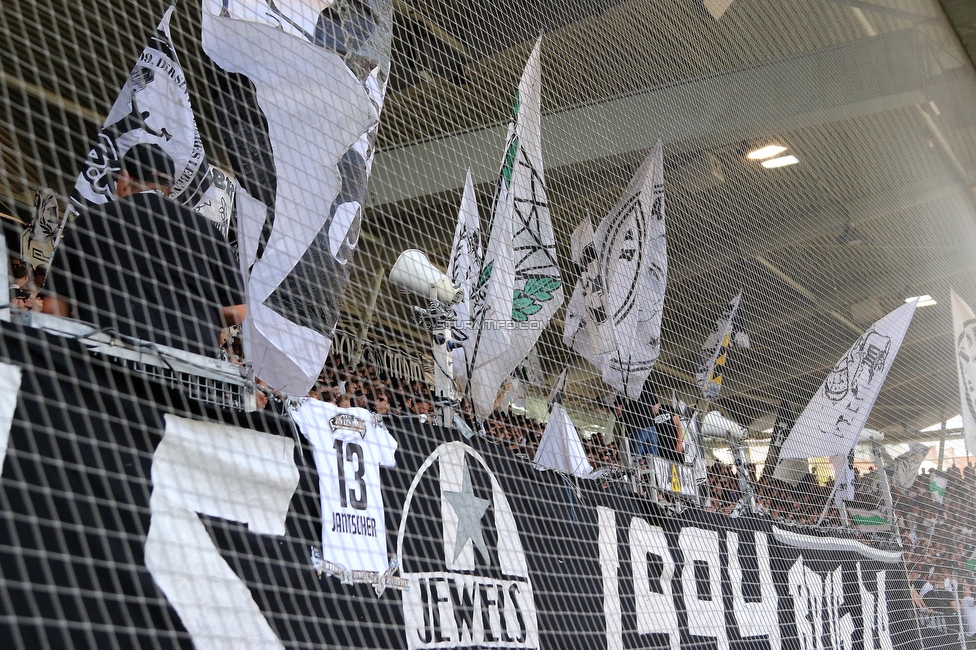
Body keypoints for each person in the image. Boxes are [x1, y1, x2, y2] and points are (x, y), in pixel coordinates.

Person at [44, 143, 245, 357]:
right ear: (169, 187)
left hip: (108, 362)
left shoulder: (90, 222)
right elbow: (238, 311)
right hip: (188, 366)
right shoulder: (207, 231)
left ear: (124, 178)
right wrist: (194, 318)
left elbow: (52, 308)